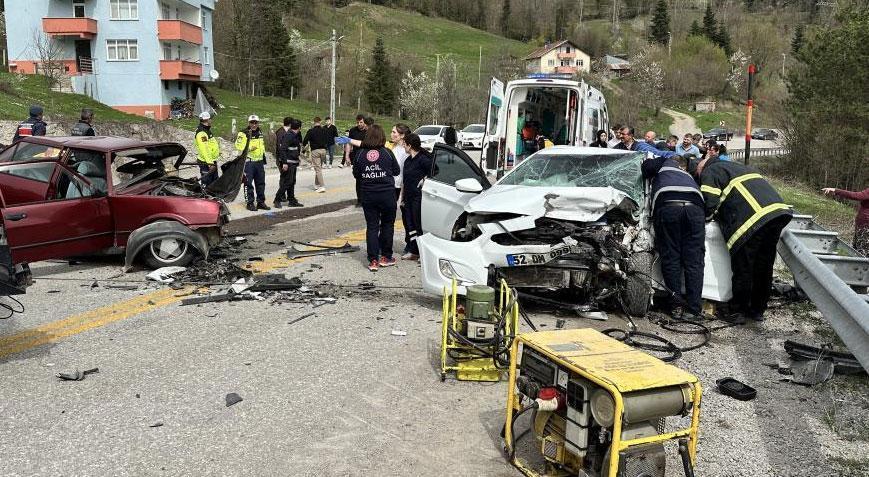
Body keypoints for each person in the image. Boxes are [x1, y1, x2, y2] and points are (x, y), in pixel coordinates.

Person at [697, 156, 792, 323]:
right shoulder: (738, 167)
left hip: (752, 219)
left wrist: (704, 217)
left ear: (702, 167)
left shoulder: (710, 170)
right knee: (763, 265)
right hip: (778, 213)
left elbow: (709, 202)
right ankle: (757, 310)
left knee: (744, 266)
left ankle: (737, 311)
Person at [642, 153, 706, 319]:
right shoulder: (687, 175)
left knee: (671, 257)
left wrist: (660, 159)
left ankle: (676, 305)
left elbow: (645, 168)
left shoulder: (663, 164)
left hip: (669, 206)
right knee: (694, 260)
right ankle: (694, 309)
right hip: (695, 209)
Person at [352, 124, 400, 271]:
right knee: (387, 225)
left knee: (372, 226)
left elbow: (356, 174)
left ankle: (373, 260)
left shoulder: (360, 154)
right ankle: (386, 256)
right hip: (387, 195)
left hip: (368, 195)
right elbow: (397, 171)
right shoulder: (387, 152)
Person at [401, 133, 434, 260]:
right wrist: (402, 199)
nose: (403, 146)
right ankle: (414, 250)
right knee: (410, 225)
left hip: (418, 198)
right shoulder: (407, 161)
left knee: (418, 225)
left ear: (409, 145)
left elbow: (435, 171)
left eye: (404, 144)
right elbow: (405, 181)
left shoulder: (424, 159)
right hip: (408, 198)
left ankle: (423, 252)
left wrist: (424, 178)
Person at [235, 114, 269, 211]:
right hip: (249, 162)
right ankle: (249, 203)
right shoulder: (243, 132)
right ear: (248, 123)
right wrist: (249, 148)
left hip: (259, 162)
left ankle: (261, 202)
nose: (254, 124)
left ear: (258, 123)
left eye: (256, 122)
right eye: (252, 122)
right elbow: (238, 146)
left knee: (261, 183)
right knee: (248, 183)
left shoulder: (260, 132)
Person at [822, 186, 869, 255]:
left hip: (865, 226)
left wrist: (836, 190)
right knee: (858, 252)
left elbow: (856, 196)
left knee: (861, 253)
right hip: (863, 225)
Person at [274, 117, 304, 208]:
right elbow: (283, 149)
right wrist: (285, 163)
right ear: (299, 128)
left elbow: (294, 148)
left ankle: (291, 200)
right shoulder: (289, 135)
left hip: (293, 162)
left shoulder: (294, 135)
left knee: (292, 181)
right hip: (289, 162)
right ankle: (277, 199)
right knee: (287, 182)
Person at [345, 115, 372, 206]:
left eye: (361, 122)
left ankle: (368, 198)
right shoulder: (352, 130)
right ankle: (360, 200)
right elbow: (349, 143)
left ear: (364, 122)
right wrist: (347, 156)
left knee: (368, 179)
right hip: (357, 158)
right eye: (358, 122)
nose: (359, 124)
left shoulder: (368, 130)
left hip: (367, 158)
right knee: (358, 179)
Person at [303, 116, 329, 193]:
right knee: (319, 168)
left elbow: (305, 141)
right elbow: (328, 140)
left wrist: (304, 147)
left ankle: (322, 186)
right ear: (320, 122)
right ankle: (316, 184)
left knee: (318, 169)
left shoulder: (310, 131)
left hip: (315, 151)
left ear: (314, 122)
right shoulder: (324, 130)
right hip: (323, 151)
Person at [194, 112, 220, 186]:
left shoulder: (206, 130)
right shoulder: (201, 133)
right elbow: (204, 149)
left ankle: (213, 197)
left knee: (215, 183)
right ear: (207, 120)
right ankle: (205, 197)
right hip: (206, 162)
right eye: (210, 119)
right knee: (206, 182)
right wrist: (210, 163)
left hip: (211, 161)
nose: (211, 120)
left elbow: (210, 145)